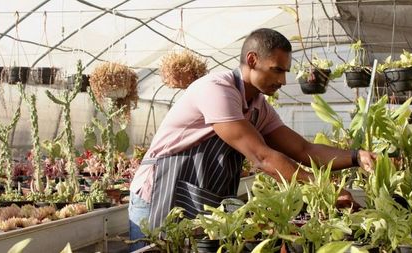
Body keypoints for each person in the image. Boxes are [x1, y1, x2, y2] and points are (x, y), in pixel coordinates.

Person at [128, 28, 376, 250]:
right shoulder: (217, 89)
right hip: (161, 196)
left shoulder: (258, 106)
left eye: (285, 72)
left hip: (202, 203)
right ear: (252, 60)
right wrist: (325, 189)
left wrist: (356, 156)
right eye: (277, 70)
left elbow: (302, 148)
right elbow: (261, 156)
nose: (282, 81)